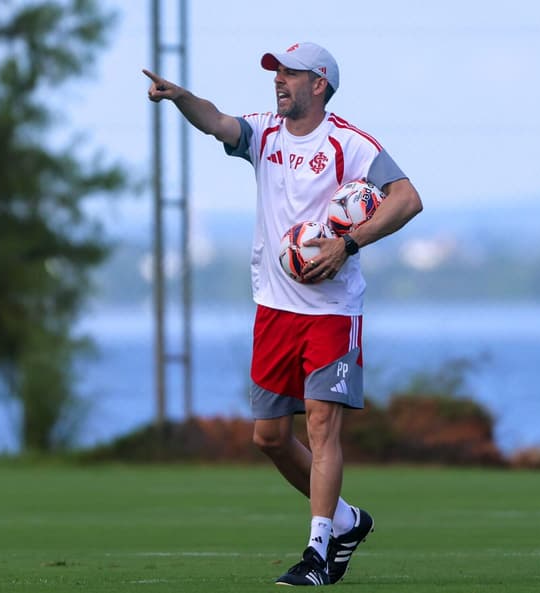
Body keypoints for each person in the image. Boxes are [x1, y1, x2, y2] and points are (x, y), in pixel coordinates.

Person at [143, 42, 422, 586]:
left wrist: (350, 243)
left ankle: (317, 552)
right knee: (268, 438)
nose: (279, 81)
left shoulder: (350, 142)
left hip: (333, 311)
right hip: (273, 309)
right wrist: (180, 98)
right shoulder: (264, 134)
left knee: (321, 426)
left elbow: (407, 199)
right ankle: (346, 521)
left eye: (290, 74)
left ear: (319, 84)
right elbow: (216, 120)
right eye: (276, 72)